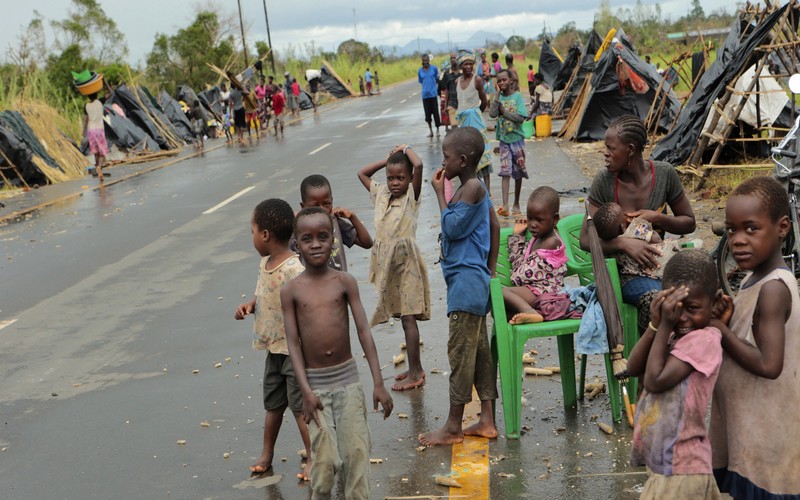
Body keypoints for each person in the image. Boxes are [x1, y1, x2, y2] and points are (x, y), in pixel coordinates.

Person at [282, 207, 393, 500]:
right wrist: (305, 391)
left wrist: (378, 383)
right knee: (326, 462)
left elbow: (363, 331)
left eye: (322, 237)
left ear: (333, 239)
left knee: (357, 453)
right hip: (315, 388)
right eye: (307, 239)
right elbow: (293, 343)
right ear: (297, 244)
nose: (316, 244)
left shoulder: (344, 281)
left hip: (349, 384)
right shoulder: (291, 290)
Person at [709, 176, 800, 498]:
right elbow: (754, 333)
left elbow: (770, 363)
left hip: (768, 435)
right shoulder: (753, 277)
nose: (738, 240)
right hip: (749, 426)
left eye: (751, 229)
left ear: (782, 227)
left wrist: (720, 331)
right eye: (731, 230)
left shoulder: (774, 288)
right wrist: (731, 321)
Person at [418, 127, 500, 446]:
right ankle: (488, 420)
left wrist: (440, 193)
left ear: (462, 160)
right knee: (478, 355)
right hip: (471, 281)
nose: (443, 161)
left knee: (460, 354)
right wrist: (489, 271)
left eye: (447, 157)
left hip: (467, 284)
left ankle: (453, 427)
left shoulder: (472, 188)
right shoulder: (474, 186)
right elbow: (493, 223)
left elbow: (451, 227)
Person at [580, 115, 696, 334]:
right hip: (625, 274)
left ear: (631, 149)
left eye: (611, 148)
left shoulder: (664, 174)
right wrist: (624, 245)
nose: (605, 153)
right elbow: (586, 240)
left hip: (662, 264)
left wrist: (658, 218)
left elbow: (689, 223)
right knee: (658, 299)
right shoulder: (604, 182)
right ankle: (647, 361)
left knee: (698, 293)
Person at [627, 250, 723, 500]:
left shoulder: (704, 340)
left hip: (683, 467)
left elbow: (654, 381)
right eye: (674, 307)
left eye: (692, 308)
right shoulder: (669, 333)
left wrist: (666, 325)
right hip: (666, 466)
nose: (681, 317)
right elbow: (634, 367)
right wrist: (655, 325)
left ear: (714, 303)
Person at [234, 198, 312, 480]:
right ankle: (267, 453)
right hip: (273, 349)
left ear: (265, 235)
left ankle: (313, 456)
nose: (251, 236)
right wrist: (251, 304)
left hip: (294, 351)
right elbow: (264, 292)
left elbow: (307, 304)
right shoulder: (265, 263)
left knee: (299, 407)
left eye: (252, 230)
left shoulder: (293, 268)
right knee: (273, 404)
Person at [357, 144, 430, 391]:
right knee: (401, 316)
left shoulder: (412, 196)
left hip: (406, 264)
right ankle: (414, 367)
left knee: (409, 317)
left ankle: (415, 372)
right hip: (387, 265)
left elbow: (418, 164)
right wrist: (386, 160)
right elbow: (362, 174)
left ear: (409, 179)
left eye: (400, 177)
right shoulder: (381, 194)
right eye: (391, 178)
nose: (395, 183)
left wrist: (405, 149)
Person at [502, 187, 570, 325]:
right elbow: (521, 266)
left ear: (555, 219)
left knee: (500, 292)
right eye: (530, 218)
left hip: (546, 295)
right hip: (535, 292)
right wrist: (517, 237)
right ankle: (534, 314)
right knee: (501, 311)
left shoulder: (551, 242)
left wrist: (516, 238)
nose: (532, 225)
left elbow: (519, 275)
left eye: (539, 220)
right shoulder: (537, 238)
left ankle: (530, 312)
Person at [295, 174, 373, 272]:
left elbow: (367, 243)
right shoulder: (298, 228)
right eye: (315, 206)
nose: (322, 210)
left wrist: (352, 217)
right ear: (303, 206)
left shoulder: (334, 222)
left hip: (338, 284)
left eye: (326, 204)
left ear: (332, 201)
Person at [489, 69, 528, 216]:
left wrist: (504, 112)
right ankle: (505, 205)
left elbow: (521, 117)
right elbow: (492, 114)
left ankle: (516, 203)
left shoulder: (517, 97)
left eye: (504, 80)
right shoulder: (499, 98)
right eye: (499, 81)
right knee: (505, 172)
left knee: (518, 172)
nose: (501, 83)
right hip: (504, 141)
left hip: (517, 140)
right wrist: (497, 98)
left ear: (511, 80)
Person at [455, 49, 492, 196]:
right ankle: (475, 190)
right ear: (461, 66)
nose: (469, 67)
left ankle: (487, 192)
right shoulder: (457, 81)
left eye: (471, 64)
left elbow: (484, 101)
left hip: (476, 121)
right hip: (463, 122)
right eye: (466, 64)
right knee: (468, 157)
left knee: (482, 156)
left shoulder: (477, 80)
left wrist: (475, 113)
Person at [83, 92, 108, 181]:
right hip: (99, 130)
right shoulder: (100, 102)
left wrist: (83, 132)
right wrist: (104, 81)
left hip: (91, 130)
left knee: (96, 151)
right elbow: (111, 93)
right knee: (103, 152)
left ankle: (99, 170)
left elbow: (85, 120)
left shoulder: (86, 105)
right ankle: (99, 167)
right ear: (97, 95)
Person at [418, 54, 441, 137]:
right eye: (424, 61)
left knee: (435, 113)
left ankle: (438, 130)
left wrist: (434, 88)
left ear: (429, 60)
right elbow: (421, 81)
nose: (425, 62)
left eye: (427, 60)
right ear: (422, 61)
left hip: (433, 95)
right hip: (425, 96)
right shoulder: (420, 71)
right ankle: (431, 131)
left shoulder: (434, 69)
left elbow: (437, 79)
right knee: (427, 115)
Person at [440, 53, 460, 129]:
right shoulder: (447, 73)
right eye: (451, 58)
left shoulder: (462, 72)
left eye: (454, 58)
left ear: (457, 59)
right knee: (454, 127)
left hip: (462, 103)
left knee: (464, 128)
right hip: (452, 103)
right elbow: (447, 90)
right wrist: (445, 106)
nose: (452, 59)